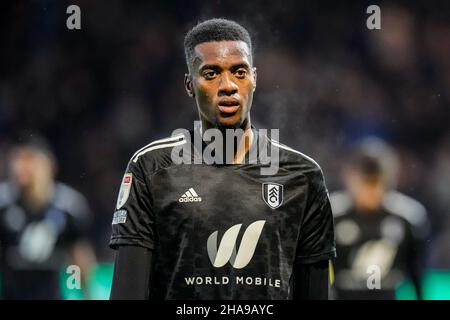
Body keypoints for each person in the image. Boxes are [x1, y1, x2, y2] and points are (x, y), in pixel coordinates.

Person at [109, 18, 335, 300]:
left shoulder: (302, 176)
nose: (228, 85)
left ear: (254, 78)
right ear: (189, 84)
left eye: (239, 72)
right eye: (211, 73)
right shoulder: (151, 169)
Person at [330, 138, 428, 299]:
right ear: (350, 177)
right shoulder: (331, 216)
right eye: (366, 181)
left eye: (376, 181)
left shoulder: (408, 219)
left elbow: (417, 275)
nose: (371, 190)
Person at [0, 135, 96, 299]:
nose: (21, 168)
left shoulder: (69, 207)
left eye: (29, 160)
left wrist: (87, 295)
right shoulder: (3, 206)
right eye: (17, 160)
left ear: (49, 165)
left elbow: (80, 261)